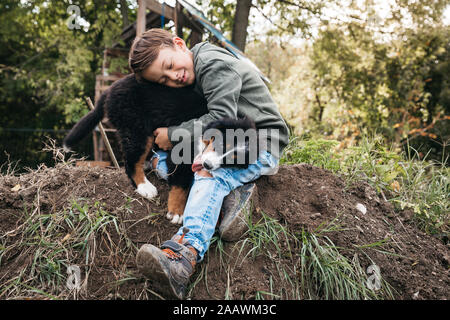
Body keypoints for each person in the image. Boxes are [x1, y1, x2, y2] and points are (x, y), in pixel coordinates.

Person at [128, 28, 289, 299]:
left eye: (169, 66)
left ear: (179, 44)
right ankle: (233, 199)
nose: (172, 78)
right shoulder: (191, 73)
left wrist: (175, 134)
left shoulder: (213, 65)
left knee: (207, 167)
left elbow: (220, 117)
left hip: (258, 142)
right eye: (163, 80)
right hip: (229, 138)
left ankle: (184, 257)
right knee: (171, 164)